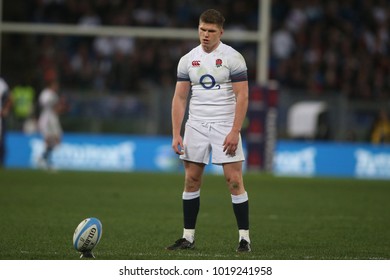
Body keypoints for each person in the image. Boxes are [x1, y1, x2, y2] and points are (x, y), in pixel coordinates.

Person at [167, 9, 251, 252]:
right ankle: (188, 237)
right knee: (191, 180)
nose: (205, 35)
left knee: (234, 181)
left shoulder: (233, 58)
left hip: (225, 124)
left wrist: (235, 131)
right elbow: (180, 98)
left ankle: (244, 238)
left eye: (211, 31)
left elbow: (242, 96)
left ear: (220, 32)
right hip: (196, 125)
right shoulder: (187, 60)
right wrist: (176, 132)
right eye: (202, 29)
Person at [37, 79, 64, 169]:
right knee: (48, 139)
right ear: (51, 85)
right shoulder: (46, 93)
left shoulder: (55, 95)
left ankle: (43, 157)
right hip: (46, 118)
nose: (56, 87)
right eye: (55, 85)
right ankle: (47, 161)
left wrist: (61, 107)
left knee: (57, 139)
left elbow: (57, 108)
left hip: (53, 118)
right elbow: (42, 104)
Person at [0, 77, 12, 167]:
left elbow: (10, 97)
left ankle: (1, 163)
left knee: (1, 140)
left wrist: (6, 110)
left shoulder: (2, 83)